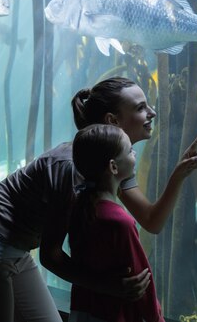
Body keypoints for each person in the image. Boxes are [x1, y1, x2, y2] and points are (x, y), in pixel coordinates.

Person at [0, 76, 197, 321]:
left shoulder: (111, 165)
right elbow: (50, 255)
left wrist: (178, 176)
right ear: (112, 120)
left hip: (17, 249)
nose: (152, 112)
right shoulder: (73, 167)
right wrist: (109, 286)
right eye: (140, 107)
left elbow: (151, 220)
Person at [69, 124, 163, 322]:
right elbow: (142, 279)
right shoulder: (119, 222)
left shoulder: (80, 206)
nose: (135, 154)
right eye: (129, 150)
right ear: (113, 166)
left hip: (83, 312)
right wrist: (157, 319)